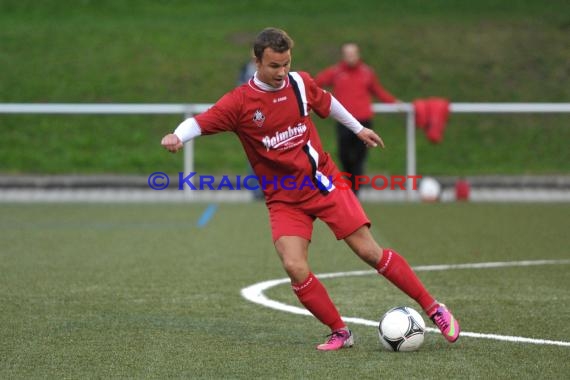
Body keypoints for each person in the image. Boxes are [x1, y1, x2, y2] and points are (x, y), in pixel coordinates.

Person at [161, 27, 460, 351]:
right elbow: (199, 121)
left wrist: (359, 129)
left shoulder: (300, 83)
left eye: (286, 63)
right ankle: (340, 332)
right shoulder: (240, 102)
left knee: (369, 252)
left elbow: (328, 103)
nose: (281, 72)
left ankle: (434, 308)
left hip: (324, 183)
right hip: (283, 197)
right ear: (257, 61)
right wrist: (177, 136)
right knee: (293, 265)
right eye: (274, 65)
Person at [315, 43, 399, 196]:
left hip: (363, 122)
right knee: (344, 155)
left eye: (352, 54)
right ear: (343, 56)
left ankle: (355, 192)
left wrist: (394, 102)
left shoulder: (367, 72)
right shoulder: (336, 72)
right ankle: (349, 187)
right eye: (347, 54)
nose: (350, 57)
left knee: (359, 157)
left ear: (358, 54)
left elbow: (377, 90)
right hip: (344, 123)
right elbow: (315, 84)